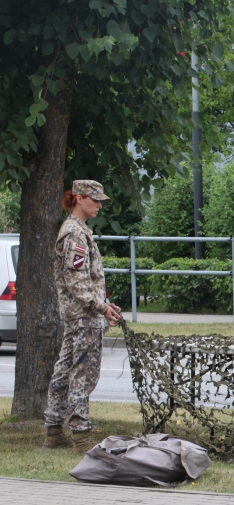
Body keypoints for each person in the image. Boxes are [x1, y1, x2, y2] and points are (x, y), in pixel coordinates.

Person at [43, 181, 122, 452]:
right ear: (79, 199)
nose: (99, 205)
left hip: (78, 314)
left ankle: (53, 431)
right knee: (83, 373)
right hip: (83, 316)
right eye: (95, 200)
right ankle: (81, 435)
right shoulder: (75, 233)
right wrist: (100, 307)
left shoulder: (77, 230)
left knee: (64, 370)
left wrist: (104, 304)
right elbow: (76, 281)